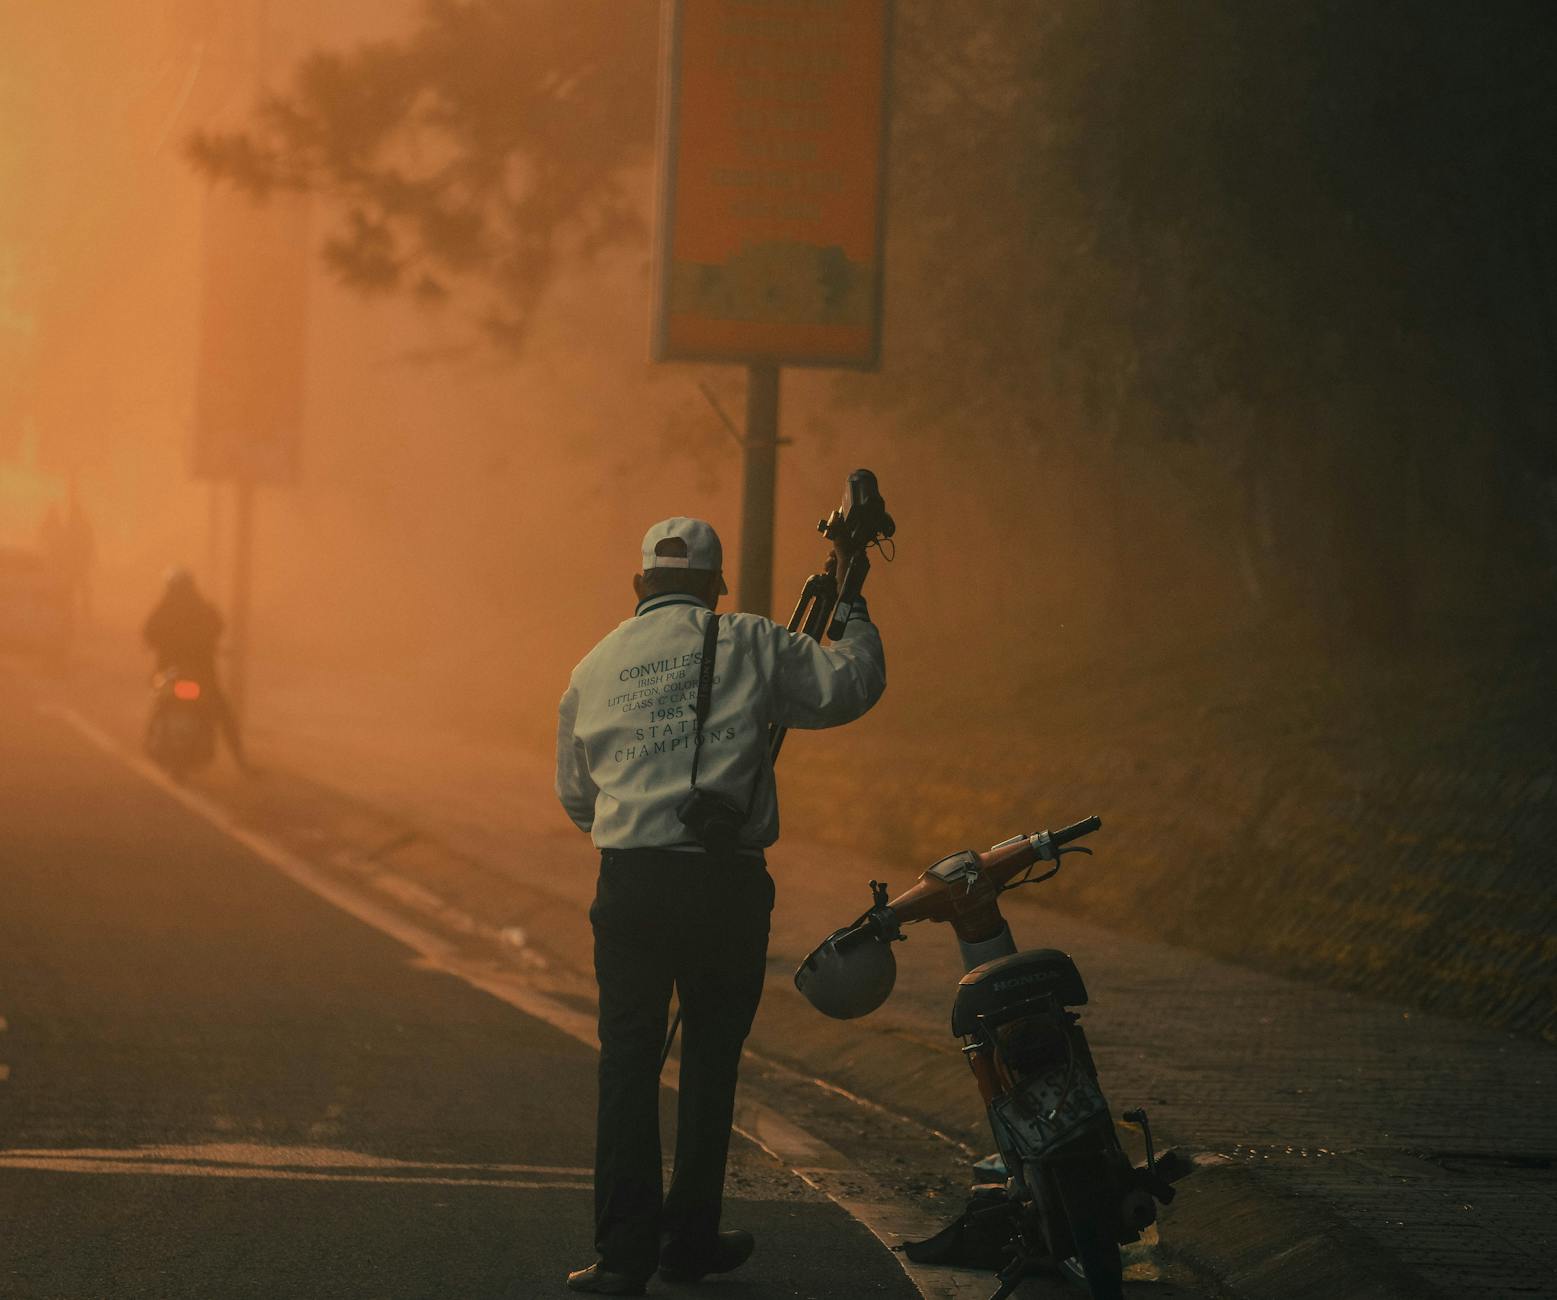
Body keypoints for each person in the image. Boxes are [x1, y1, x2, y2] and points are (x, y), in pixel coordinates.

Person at [555, 517, 886, 1296]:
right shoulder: (748, 639)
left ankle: (621, 1258)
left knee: (627, 1064)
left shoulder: (592, 666)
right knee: (709, 1061)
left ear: (639, 586)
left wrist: (635, 832)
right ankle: (690, 1241)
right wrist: (854, 605)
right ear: (715, 586)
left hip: (629, 882)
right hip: (724, 883)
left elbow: (577, 798)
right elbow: (848, 685)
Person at [142, 567, 249, 771]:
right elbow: (219, 627)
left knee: (157, 695)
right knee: (222, 711)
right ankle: (240, 760)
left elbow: (147, 633)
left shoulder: (164, 609)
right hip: (199, 674)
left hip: (169, 674)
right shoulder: (204, 609)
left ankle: (240, 759)